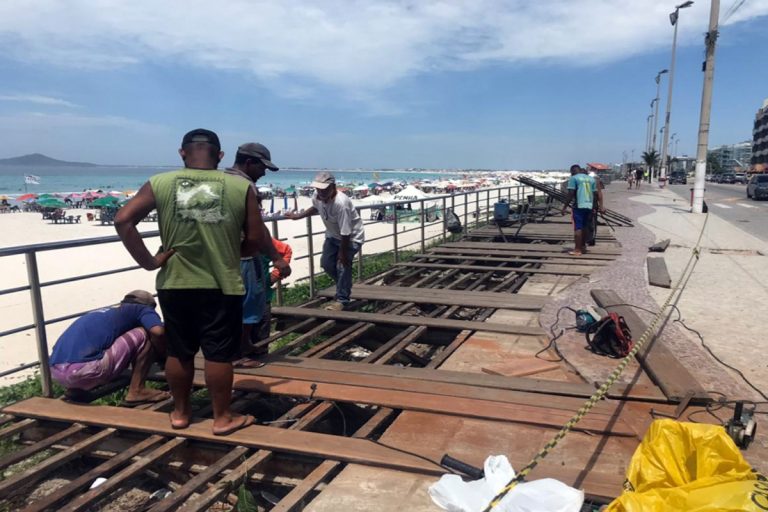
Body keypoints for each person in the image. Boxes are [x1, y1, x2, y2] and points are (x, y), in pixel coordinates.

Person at [115, 128, 274, 436]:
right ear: (221, 156)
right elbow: (255, 239)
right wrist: (232, 253)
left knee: (179, 350)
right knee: (219, 353)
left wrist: (149, 262)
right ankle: (222, 418)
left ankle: (180, 413)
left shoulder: (160, 183)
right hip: (221, 283)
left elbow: (123, 220)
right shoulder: (240, 187)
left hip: (175, 282)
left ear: (182, 153)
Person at [223, 142, 291, 365]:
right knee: (247, 303)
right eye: (262, 168)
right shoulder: (245, 186)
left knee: (234, 304)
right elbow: (257, 229)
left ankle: (241, 346)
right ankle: (239, 353)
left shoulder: (221, 180)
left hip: (224, 255)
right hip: (243, 255)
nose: (263, 173)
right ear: (249, 162)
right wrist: (277, 258)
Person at [49, 290, 168, 404]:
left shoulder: (104, 313)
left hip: (56, 371)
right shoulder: (141, 309)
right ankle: (137, 390)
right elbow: (158, 332)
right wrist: (164, 355)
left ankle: (75, 390)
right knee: (144, 333)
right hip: (85, 371)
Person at [285, 172, 364, 310]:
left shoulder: (341, 203)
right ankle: (344, 285)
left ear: (333, 187)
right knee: (326, 264)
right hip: (332, 236)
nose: (321, 192)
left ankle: (342, 299)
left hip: (351, 238)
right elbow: (315, 207)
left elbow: (346, 232)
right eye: (318, 188)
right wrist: (298, 216)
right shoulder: (317, 196)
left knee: (342, 265)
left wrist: (343, 253)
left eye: (324, 189)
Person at [560, 164, 603, 256]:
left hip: (579, 206)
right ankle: (583, 246)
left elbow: (571, 193)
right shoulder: (591, 179)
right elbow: (595, 194)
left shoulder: (574, 178)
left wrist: (564, 207)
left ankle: (577, 249)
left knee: (578, 228)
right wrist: (596, 206)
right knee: (585, 227)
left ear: (572, 171)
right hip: (589, 205)